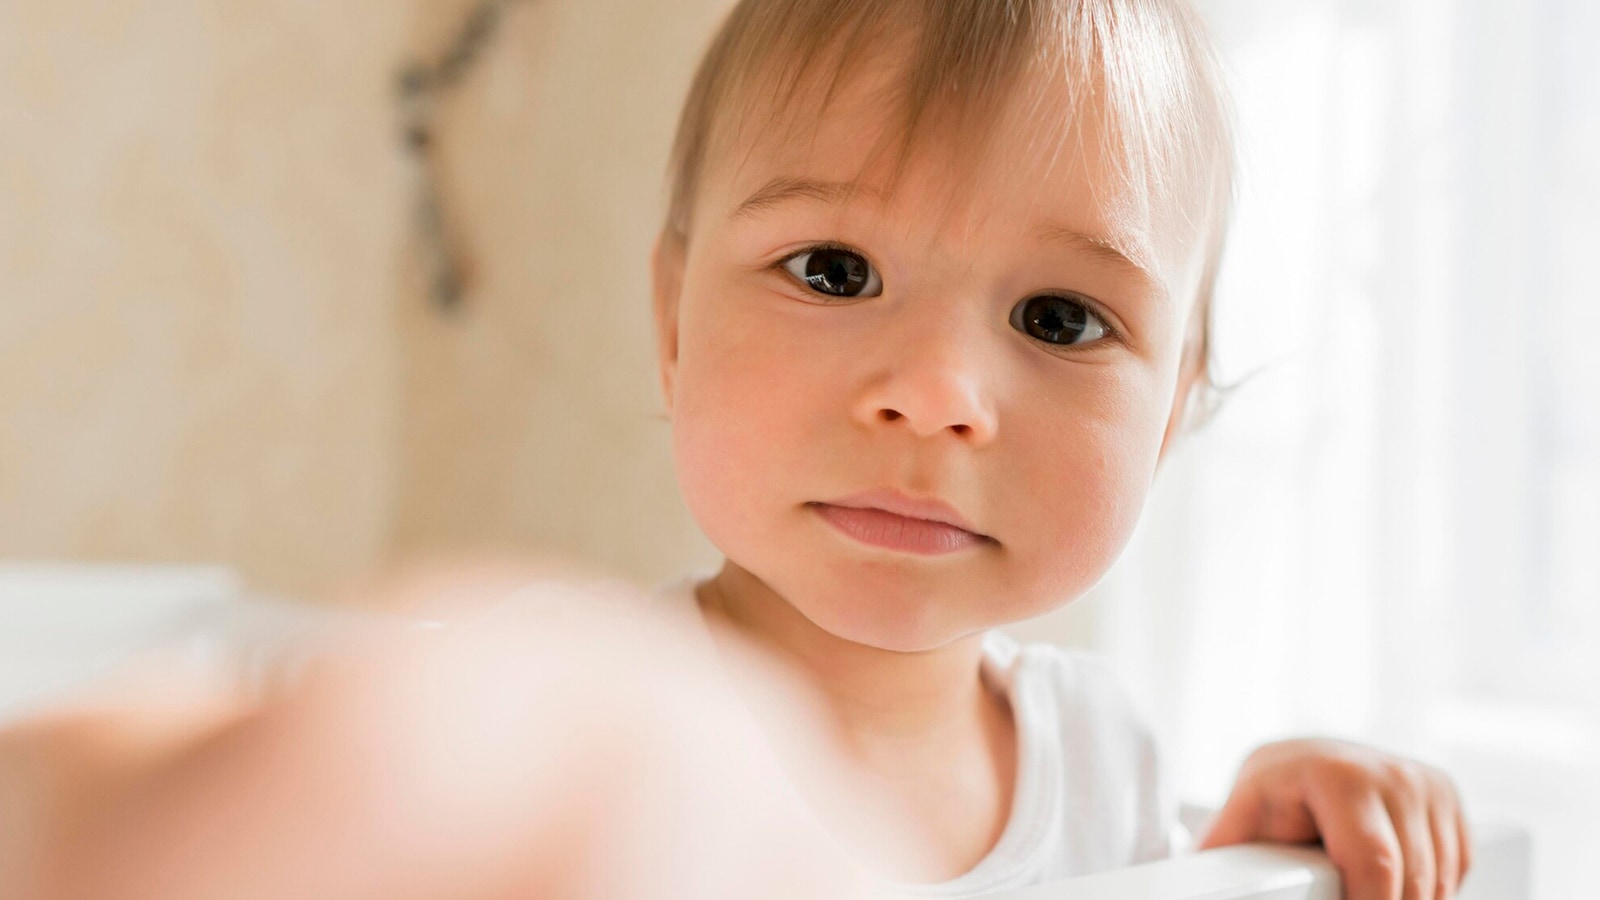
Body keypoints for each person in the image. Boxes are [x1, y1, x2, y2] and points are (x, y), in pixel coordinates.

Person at [0, 1, 1472, 898]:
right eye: (834, 271)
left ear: (1176, 408)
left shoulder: (1109, 762)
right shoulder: (582, 733)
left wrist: (1256, 839)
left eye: (1062, 318)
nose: (937, 396)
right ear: (671, 321)